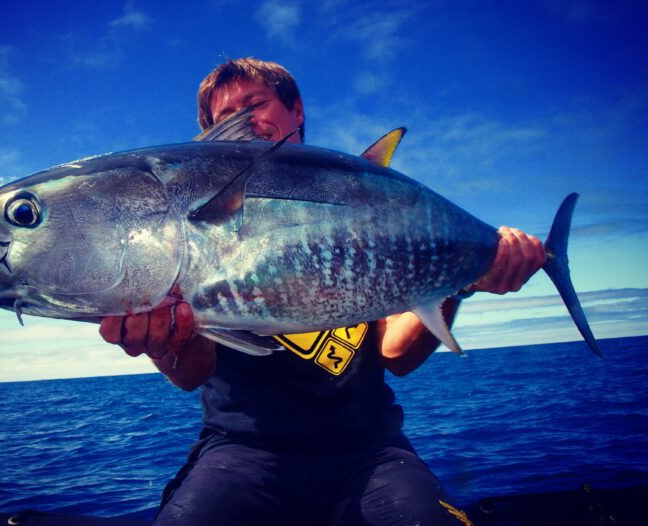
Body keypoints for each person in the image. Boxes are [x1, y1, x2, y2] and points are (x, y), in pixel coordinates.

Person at [99, 58, 546, 525]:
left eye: (255, 104)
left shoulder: (363, 213)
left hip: (369, 449)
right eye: (222, 119)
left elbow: (398, 355)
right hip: (243, 450)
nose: (244, 122)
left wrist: (463, 278)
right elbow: (193, 374)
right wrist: (162, 337)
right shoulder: (187, 232)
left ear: (297, 111)